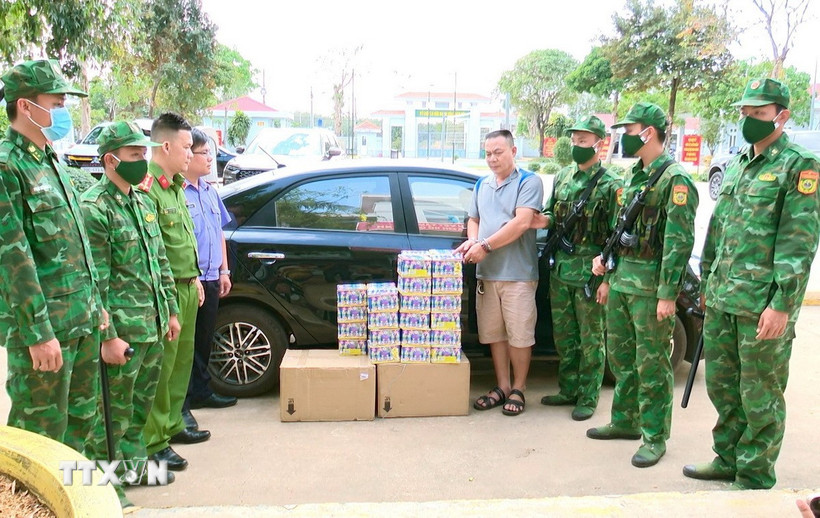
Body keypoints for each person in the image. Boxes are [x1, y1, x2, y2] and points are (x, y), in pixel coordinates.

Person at [683, 78, 820, 489]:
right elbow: (718, 229)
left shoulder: (799, 165)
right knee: (724, 389)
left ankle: (756, 475)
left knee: (760, 395)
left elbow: (799, 241)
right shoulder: (739, 163)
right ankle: (727, 458)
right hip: (724, 298)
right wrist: (706, 280)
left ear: (782, 116)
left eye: (758, 114)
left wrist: (782, 303)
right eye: (746, 113)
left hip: (763, 305)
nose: (749, 120)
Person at [0, 59, 109, 453]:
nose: (62, 109)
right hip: (46, 332)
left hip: (80, 319)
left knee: (81, 426)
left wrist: (97, 304)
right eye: (56, 101)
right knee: (39, 440)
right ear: (26, 106)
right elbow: (12, 258)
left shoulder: (51, 160)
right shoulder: (7, 166)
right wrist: (37, 333)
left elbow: (77, 242)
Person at [588, 102, 698, 468]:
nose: (624, 137)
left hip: (652, 290)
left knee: (652, 365)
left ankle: (654, 436)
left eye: (630, 130)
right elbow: (624, 233)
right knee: (621, 357)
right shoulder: (635, 176)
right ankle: (625, 421)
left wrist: (668, 294)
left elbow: (679, 243)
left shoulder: (674, 180)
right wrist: (608, 273)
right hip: (622, 283)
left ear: (648, 132)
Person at [80, 121, 182, 502]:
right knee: (111, 416)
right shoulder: (95, 208)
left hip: (152, 325)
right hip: (123, 332)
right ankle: (105, 491)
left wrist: (170, 311)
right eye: (135, 154)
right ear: (111, 159)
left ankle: (135, 466)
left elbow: (160, 262)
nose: (143, 160)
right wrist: (108, 336)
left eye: (144, 153)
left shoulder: (141, 201)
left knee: (139, 410)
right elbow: (95, 281)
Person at [533, 116, 622, 421]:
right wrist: (541, 219)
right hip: (562, 271)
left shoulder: (612, 185)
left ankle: (588, 396)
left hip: (590, 274)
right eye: (574, 141)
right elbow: (550, 212)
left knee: (591, 338)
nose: (577, 146)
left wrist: (607, 278)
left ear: (600, 143)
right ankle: (568, 388)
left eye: (583, 141)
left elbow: (617, 236)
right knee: (564, 335)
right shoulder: (562, 177)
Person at [457, 129, 543, 416]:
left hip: (518, 273)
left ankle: (519, 388)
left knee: (520, 335)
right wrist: (472, 240)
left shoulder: (529, 182)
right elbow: (474, 218)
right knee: (496, 335)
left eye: (498, 152)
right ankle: (502, 385)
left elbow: (521, 223)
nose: (492, 158)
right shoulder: (482, 184)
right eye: (488, 153)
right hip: (488, 274)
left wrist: (485, 245)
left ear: (513, 151)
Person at [141, 112, 209, 472]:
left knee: (181, 364)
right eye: (185, 147)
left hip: (186, 286)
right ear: (164, 146)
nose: (190, 154)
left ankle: (173, 424)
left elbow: (182, 241)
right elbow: (154, 250)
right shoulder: (148, 189)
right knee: (162, 369)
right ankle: (154, 442)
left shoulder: (177, 187)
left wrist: (195, 277)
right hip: (166, 292)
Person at [181, 128, 236, 432]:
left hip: (213, 277)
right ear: (188, 156)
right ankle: (183, 402)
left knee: (204, 340)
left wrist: (224, 271)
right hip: (192, 280)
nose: (209, 160)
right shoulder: (177, 193)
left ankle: (202, 391)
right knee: (185, 345)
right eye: (204, 154)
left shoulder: (210, 191)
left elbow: (219, 233)